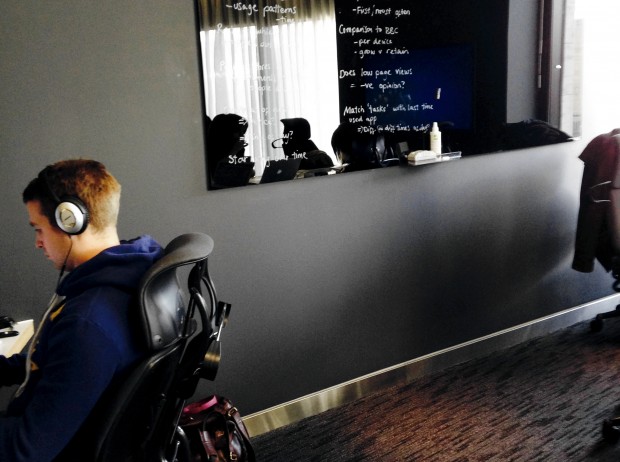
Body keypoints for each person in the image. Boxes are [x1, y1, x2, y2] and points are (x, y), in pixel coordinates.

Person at [0, 159, 163, 461]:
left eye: (39, 229)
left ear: (69, 221)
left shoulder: (87, 323)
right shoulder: (129, 276)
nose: (37, 243)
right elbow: (63, 363)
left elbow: (26, 450)